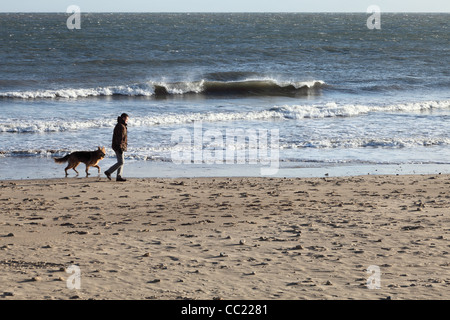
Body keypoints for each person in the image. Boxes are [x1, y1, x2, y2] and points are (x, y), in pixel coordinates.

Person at [105, 113, 129, 182]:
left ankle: (119, 176)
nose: (127, 121)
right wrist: (120, 147)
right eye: (127, 119)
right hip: (118, 146)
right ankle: (108, 172)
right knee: (121, 162)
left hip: (120, 146)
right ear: (123, 118)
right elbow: (120, 138)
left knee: (121, 162)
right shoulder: (120, 126)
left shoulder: (121, 125)